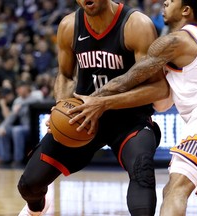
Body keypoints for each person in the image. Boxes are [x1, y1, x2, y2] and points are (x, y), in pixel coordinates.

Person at [70, 0, 197, 215]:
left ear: (186, 10)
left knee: (174, 190)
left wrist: (90, 101)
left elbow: (127, 79)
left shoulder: (175, 41)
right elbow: (164, 100)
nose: (165, 2)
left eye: (172, 0)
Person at [17, 1, 169, 216]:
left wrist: (104, 102)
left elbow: (159, 87)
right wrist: (61, 104)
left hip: (128, 117)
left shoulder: (136, 25)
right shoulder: (69, 25)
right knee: (29, 185)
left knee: (142, 171)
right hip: (83, 116)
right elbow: (66, 75)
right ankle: (36, 211)